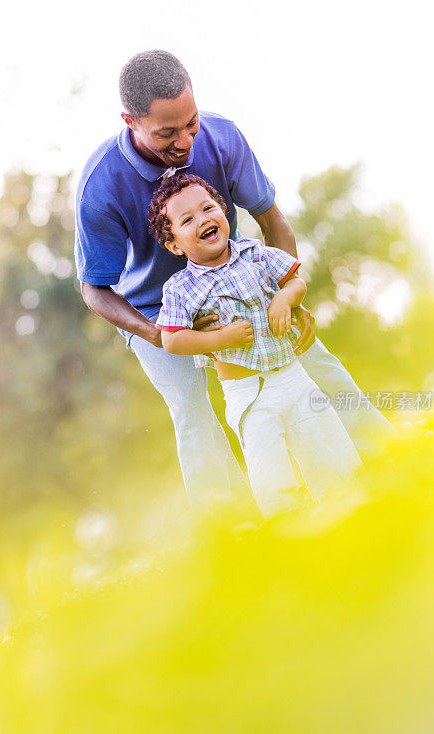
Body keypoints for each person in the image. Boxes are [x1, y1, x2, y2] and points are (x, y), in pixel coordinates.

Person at [75, 49, 392, 507]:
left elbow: (273, 221)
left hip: (236, 279)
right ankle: (230, 526)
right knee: (191, 409)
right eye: (168, 132)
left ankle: (382, 450)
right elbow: (94, 288)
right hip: (155, 311)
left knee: (312, 359)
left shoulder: (222, 137)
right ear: (130, 120)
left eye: (191, 123)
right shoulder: (101, 184)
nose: (185, 140)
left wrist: (287, 294)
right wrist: (165, 334)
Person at [148, 173, 363, 516]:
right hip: (247, 393)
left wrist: (283, 299)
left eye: (208, 208)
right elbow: (171, 340)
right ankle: (287, 527)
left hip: (292, 377)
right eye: (187, 220)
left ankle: (352, 510)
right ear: (174, 244)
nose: (203, 219)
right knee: (272, 476)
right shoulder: (180, 288)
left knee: (330, 456)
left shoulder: (255, 253)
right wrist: (220, 338)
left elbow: (296, 283)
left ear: (222, 210)